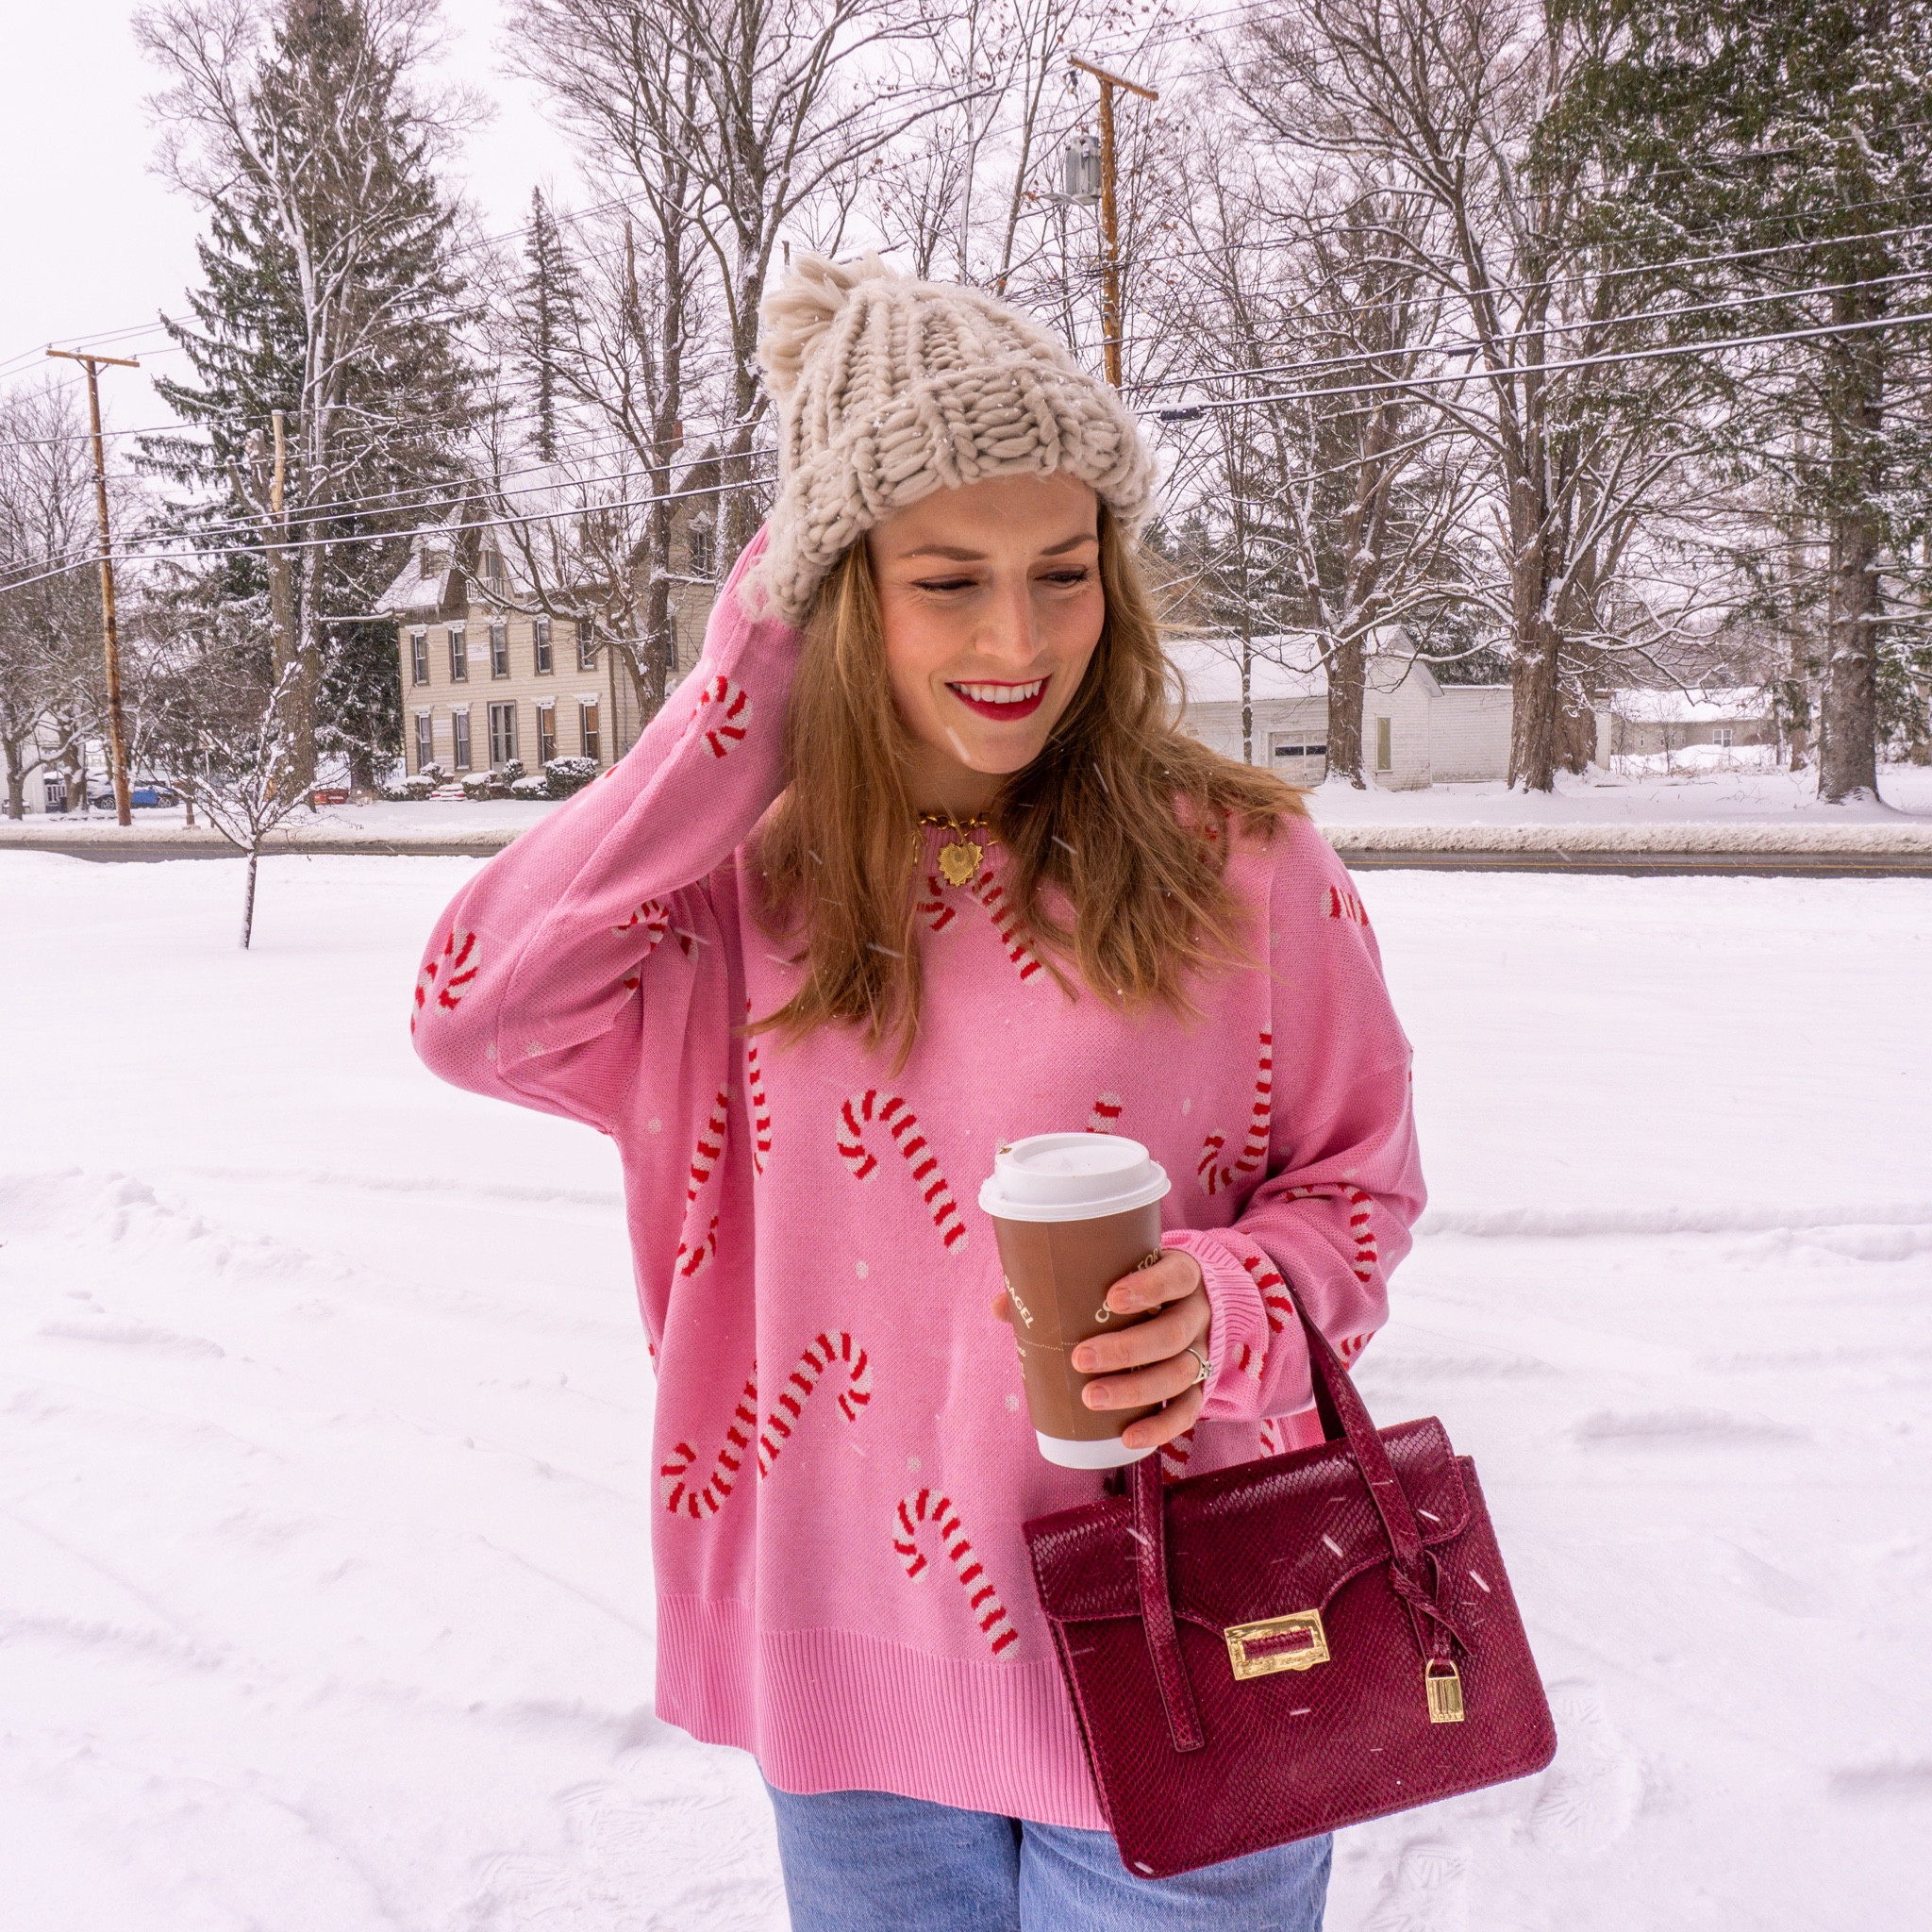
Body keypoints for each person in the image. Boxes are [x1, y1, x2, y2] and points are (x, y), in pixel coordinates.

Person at [411, 254, 1424, 1931]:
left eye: (1062, 571)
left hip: (1193, 1641)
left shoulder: (1245, 862)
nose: (1018, 639)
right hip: (854, 1677)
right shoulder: (728, 904)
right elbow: (473, 1010)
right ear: (835, 595)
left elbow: (1356, 1196)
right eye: (946, 580)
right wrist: (744, 693)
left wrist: (1232, 1301)